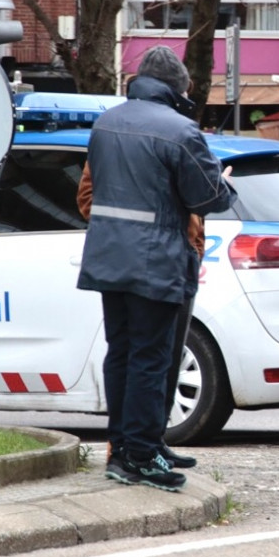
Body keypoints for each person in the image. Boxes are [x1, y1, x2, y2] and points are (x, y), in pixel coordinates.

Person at [77, 45, 235, 491]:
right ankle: (141, 455)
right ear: (176, 88)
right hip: (157, 260)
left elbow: (94, 190)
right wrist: (222, 182)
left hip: (110, 258)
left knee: (123, 353)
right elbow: (208, 198)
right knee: (151, 359)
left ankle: (124, 447)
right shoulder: (180, 130)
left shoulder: (106, 122)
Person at [77, 162, 206, 473]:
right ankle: (128, 447)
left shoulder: (170, 140)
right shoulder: (113, 147)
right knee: (138, 356)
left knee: (167, 358)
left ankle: (152, 440)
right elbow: (87, 202)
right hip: (140, 259)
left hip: (179, 258)